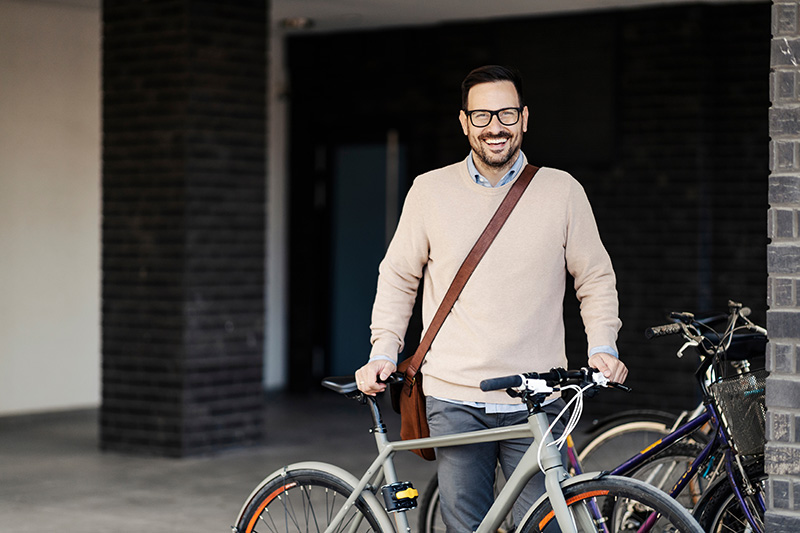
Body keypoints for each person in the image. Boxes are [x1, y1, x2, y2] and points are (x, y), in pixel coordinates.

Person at [355, 65, 627, 533]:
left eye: (505, 113)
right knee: (468, 526)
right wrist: (384, 349)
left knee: (545, 524)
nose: (494, 127)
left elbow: (595, 278)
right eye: (481, 116)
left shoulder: (562, 191)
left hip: (538, 396)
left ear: (524, 118)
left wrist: (602, 346)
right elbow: (399, 276)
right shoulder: (429, 190)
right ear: (464, 123)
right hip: (454, 397)